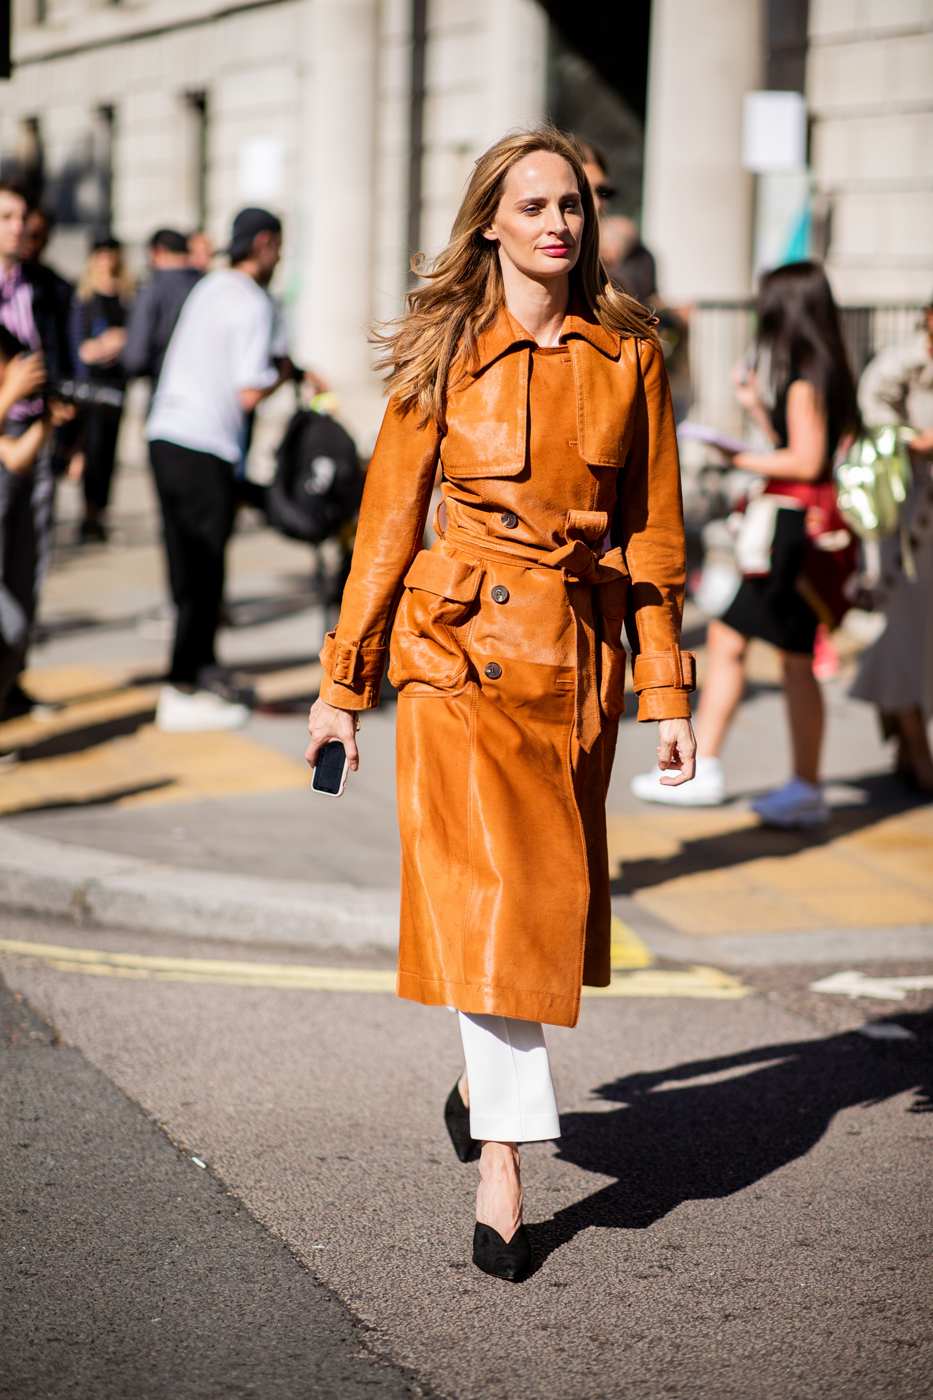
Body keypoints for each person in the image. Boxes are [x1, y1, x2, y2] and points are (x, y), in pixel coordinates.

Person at [304, 127, 696, 1281]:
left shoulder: (632, 354)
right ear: (490, 222)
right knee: (492, 893)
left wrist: (668, 686)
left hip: (576, 661)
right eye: (530, 205)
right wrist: (343, 685)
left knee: (539, 913)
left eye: (569, 203)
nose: (555, 223)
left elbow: (653, 537)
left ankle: (480, 1080)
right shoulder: (443, 352)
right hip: (454, 656)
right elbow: (385, 525)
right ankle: (506, 1160)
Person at [633, 261, 860, 827]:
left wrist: (733, 454)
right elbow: (809, 446)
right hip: (805, 531)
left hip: (789, 531)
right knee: (790, 657)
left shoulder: (806, 374)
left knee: (738, 641)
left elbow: (804, 461)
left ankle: (707, 767)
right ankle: (793, 783)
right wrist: (757, 407)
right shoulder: (825, 368)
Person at [145, 206, 286, 731]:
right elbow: (248, 390)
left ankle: (195, 673)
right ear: (265, 243)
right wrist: (285, 372)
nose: (279, 259)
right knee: (205, 573)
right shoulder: (251, 299)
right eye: (279, 248)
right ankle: (183, 688)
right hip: (205, 444)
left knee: (186, 570)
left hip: (164, 434)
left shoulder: (210, 285)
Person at [849, 297, 933, 793]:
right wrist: (913, 439)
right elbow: (875, 416)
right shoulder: (903, 367)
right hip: (903, 524)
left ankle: (902, 726)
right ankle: (917, 747)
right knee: (905, 631)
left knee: (919, 638)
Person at [0, 181, 74, 720]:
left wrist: (61, 425)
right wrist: (11, 390)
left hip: (36, 441)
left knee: (27, 581)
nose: (18, 226)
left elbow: (65, 361)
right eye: (5, 216)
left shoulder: (45, 286)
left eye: (22, 216)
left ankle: (10, 690)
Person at [69, 233, 133, 542]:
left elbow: (136, 335)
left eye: (111, 252)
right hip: (91, 385)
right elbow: (76, 343)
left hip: (117, 383)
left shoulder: (127, 294)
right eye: (101, 252)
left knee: (109, 452)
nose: (107, 258)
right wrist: (93, 349)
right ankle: (89, 514)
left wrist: (122, 340)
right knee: (91, 449)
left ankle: (102, 513)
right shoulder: (84, 296)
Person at [122, 228, 202, 391]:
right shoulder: (208, 285)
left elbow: (135, 358)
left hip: (166, 393)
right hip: (207, 396)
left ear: (158, 251)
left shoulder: (153, 291)